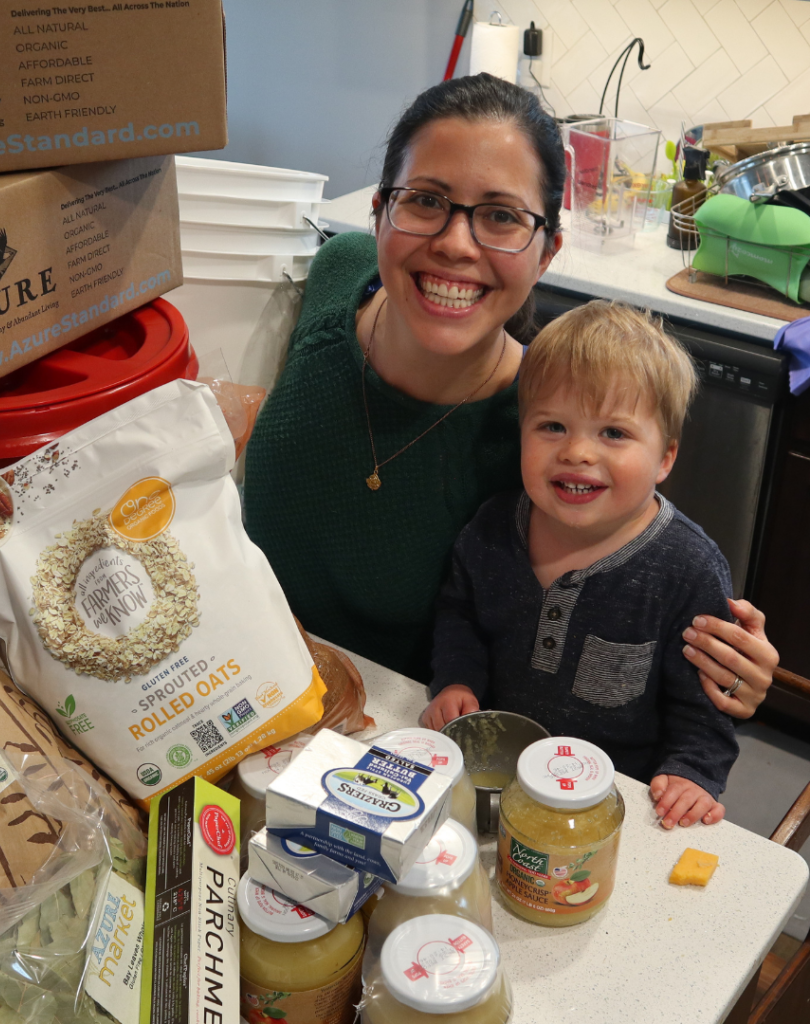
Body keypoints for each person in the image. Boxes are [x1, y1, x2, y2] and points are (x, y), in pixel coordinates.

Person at [243, 73, 777, 720]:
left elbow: (642, 589)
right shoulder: (338, 275)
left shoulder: (545, 437)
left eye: (500, 216)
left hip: (381, 739)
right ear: (379, 211)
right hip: (235, 675)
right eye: (425, 200)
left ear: (547, 251)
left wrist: (716, 667)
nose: (455, 243)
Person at [424, 301, 737, 829]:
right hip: (502, 778)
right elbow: (461, 616)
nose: (577, 452)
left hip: (617, 803)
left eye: (613, 433)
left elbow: (703, 705)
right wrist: (455, 680)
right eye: (552, 426)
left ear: (665, 457)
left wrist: (691, 773)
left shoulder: (690, 569)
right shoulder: (494, 527)